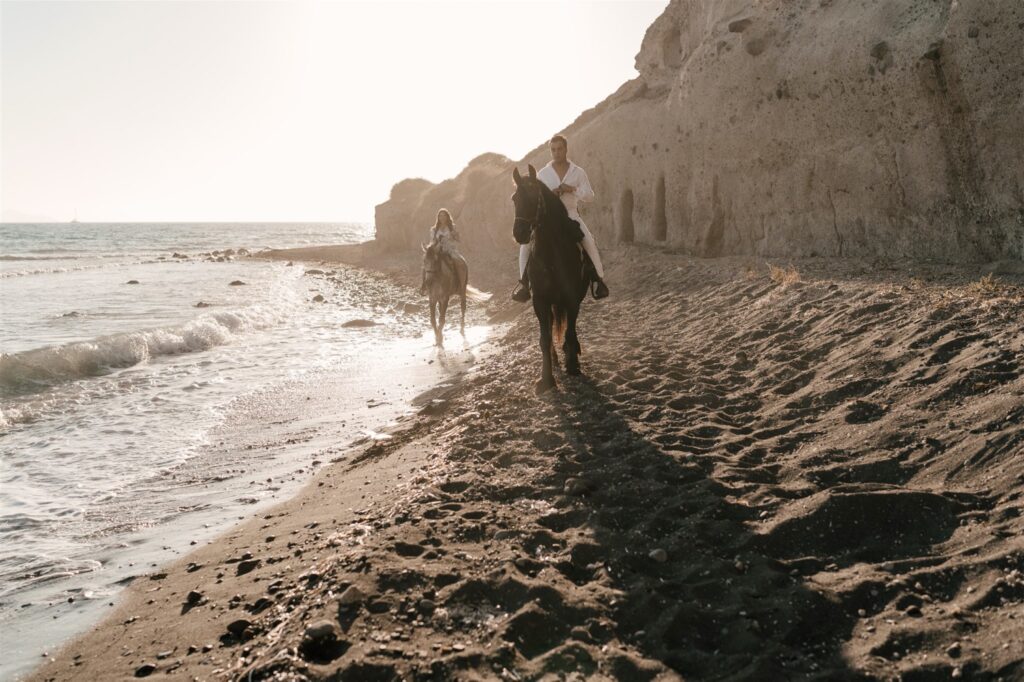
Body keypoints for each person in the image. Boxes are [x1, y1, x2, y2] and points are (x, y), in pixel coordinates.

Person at [512, 134, 609, 301]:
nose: (556, 153)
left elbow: (590, 196)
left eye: (559, 149)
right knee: (525, 245)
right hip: (547, 219)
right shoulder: (542, 174)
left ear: (566, 149)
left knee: (589, 241)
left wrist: (572, 189)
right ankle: (524, 285)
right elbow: (536, 198)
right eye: (553, 150)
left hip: (571, 214)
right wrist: (551, 194)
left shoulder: (578, 172)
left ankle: (598, 280)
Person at [420, 208, 463, 293]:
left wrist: (454, 236)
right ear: (438, 217)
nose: (442, 217)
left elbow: (458, 239)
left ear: (447, 217)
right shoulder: (434, 229)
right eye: (440, 216)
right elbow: (432, 241)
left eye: (444, 216)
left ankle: (461, 285)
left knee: (459, 262)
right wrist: (430, 247)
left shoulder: (452, 227)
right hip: (437, 250)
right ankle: (424, 285)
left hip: (449, 249)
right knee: (427, 263)